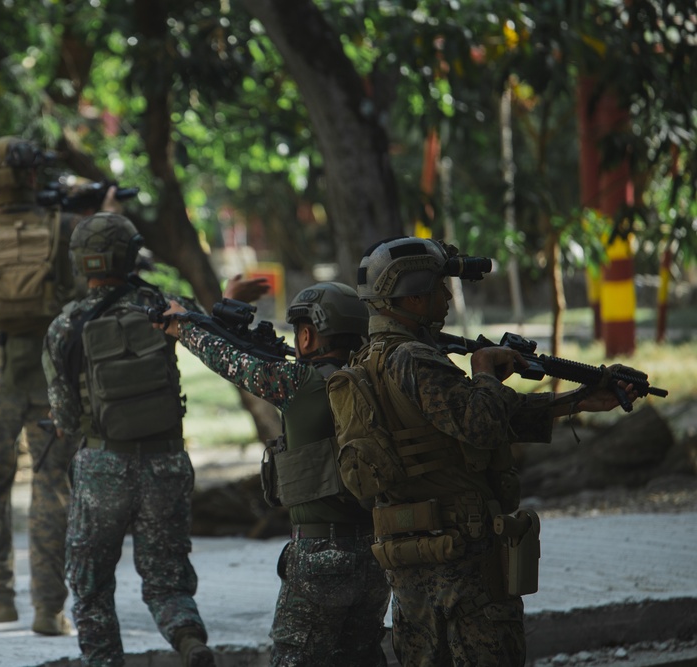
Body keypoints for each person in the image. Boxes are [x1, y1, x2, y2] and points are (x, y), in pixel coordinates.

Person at [327, 236, 640, 667]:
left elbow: (464, 419)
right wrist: (485, 372)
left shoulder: (368, 362)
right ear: (413, 296)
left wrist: (577, 401)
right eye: (440, 287)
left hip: (409, 552)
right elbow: (481, 424)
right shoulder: (416, 360)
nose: (447, 297)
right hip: (463, 558)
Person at [160, 282, 391, 666]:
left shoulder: (299, 383)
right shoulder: (377, 381)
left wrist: (182, 328)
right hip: (375, 555)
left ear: (307, 333)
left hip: (319, 554)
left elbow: (229, 361)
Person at [0, 136, 108, 632]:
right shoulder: (66, 228)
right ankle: (48, 609)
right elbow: (85, 291)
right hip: (54, 374)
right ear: (34, 175)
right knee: (53, 487)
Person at [44, 212, 223, 667]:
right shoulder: (163, 304)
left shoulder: (67, 325)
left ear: (80, 262)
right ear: (130, 255)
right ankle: (189, 641)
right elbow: (207, 334)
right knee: (167, 580)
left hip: (103, 468)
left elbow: (65, 417)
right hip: (166, 464)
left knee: (90, 584)